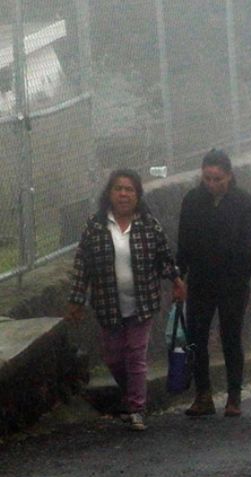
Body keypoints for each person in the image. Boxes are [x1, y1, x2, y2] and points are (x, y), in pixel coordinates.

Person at [66, 169, 186, 431]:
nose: (123, 194)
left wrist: (176, 280)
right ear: (109, 194)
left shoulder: (148, 225)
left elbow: (164, 258)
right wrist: (76, 299)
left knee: (135, 355)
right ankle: (132, 394)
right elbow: (82, 265)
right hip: (108, 304)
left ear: (137, 195)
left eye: (129, 189)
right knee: (113, 358)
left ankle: (136, 408)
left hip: (142, 303)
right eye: (118, 189)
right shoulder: (96, 226)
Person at [177, 149, 251, 417]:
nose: (212, 184)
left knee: (231, 336)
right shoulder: (192, 200)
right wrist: (178, 275)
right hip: (201, 279)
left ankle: (234, 396)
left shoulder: (243, 201)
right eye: (207, 178)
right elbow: (184, 241)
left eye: (217, 179)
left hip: (233, 281)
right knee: (196, 337)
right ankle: (203, 395)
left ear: (229, 176)